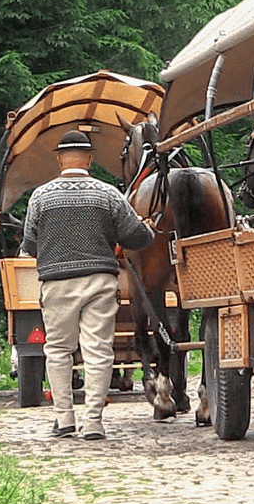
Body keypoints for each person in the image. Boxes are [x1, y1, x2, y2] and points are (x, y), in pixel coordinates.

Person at [21, 130, 155, 440]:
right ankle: (93, 422)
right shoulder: (108, 194)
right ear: (90, 160)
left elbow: (29, 245)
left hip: (56, 285)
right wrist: (148, 228)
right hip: (100, 282)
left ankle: (65, 419)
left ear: (59, 159)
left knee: (57, 350)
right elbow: (136, 238)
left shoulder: (40, 197)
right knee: (98, 351)